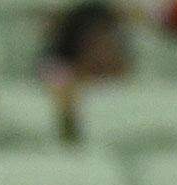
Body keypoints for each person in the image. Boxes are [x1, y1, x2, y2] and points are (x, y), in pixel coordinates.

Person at [40, 2, 132, 141]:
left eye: (108, 43)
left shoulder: (126, 76)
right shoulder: (58, 74)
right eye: (96, 44)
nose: (103, 51)